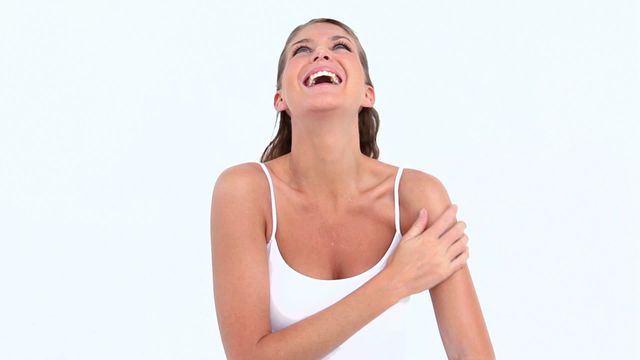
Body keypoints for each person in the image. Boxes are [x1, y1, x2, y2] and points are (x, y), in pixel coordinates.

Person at [210, 18, 495, 359]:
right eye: (302, 50)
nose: (320, 55)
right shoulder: (245, 192)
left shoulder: (417, 197)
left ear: (367, 94)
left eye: (340, 46)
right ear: (280, 99)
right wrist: (396, 280)